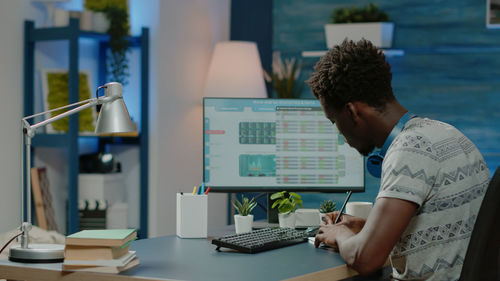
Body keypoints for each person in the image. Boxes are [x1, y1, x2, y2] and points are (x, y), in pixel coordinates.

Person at [306, 39, 490, 280]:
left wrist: (338, 234)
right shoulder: (447, 133)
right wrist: (365, 228)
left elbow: (365, 258)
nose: (340, 133)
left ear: (352, 112)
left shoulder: (409, 151)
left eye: (334, 121)